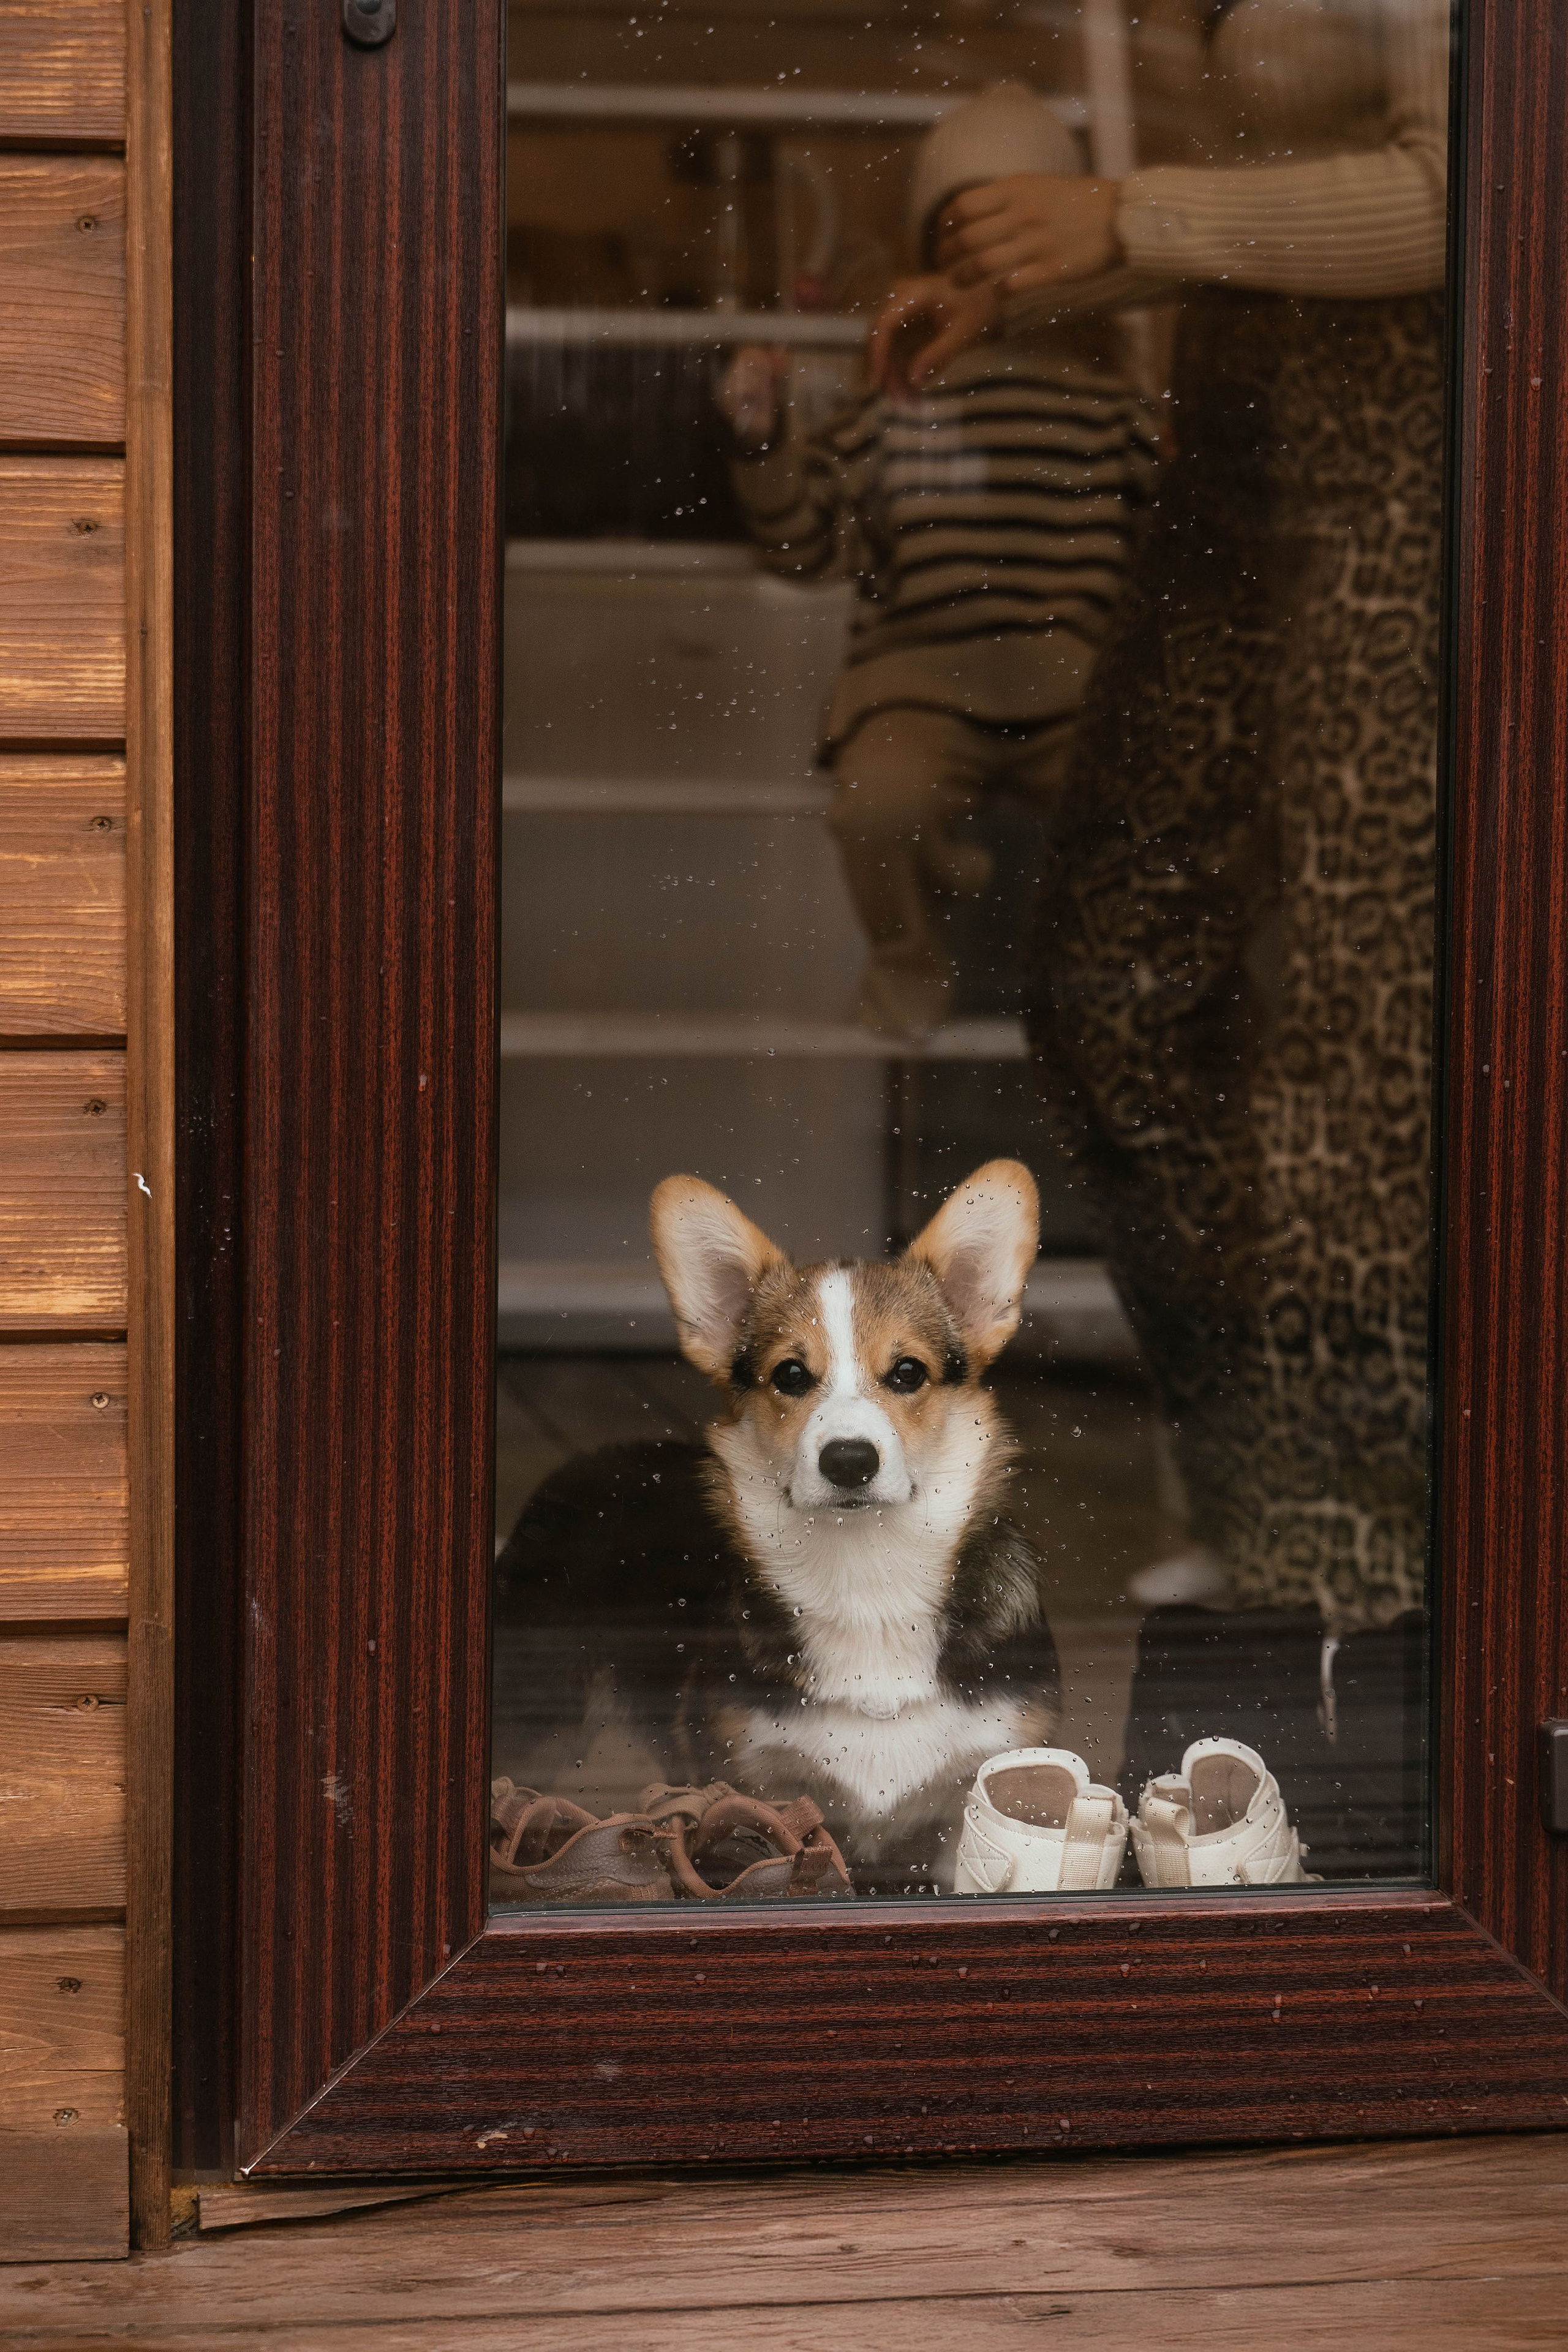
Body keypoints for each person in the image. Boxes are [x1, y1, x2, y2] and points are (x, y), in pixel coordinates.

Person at [868, 0, 1450, 1673]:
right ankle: (1287, 1480)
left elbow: (1465, 194)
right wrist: (1038, 284)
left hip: (1407, 477)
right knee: (1108, 980)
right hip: (1238, 466)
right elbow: (1275, 206)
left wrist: (1127, 217)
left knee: (1355, 1036)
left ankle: (1355, 1548)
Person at [717, 85, 1159, 1039]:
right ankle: (911, 954)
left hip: (1071, 683)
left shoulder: (1109, 403)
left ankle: (1113, 980)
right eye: (961, 238)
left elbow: (1170, 533)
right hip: (918, 684)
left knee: (1147, 808)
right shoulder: (897, 394)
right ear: (927, 254)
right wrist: (763, 445)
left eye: (1012, 235)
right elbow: (806, 546)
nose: (985, 265)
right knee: (878, 809)